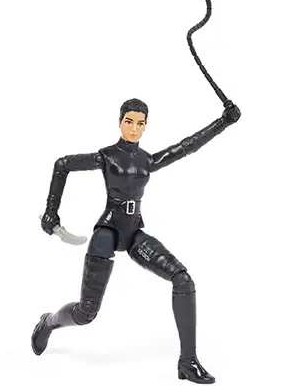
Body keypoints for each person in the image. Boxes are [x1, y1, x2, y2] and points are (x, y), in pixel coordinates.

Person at [31, 98, 241, 384]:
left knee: (183, 280)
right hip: (107, 232)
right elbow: (63, 164)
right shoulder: (106, 156)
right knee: (86, 313)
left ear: (145, 126)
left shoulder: (147, 161)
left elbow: (187, 146)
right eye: (129, 122)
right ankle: (48, 322)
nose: (134, 128)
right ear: (120, 122)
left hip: (133, 234)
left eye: (140, 123)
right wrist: (51, 211)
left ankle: (188, 362)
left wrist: (223, 122)